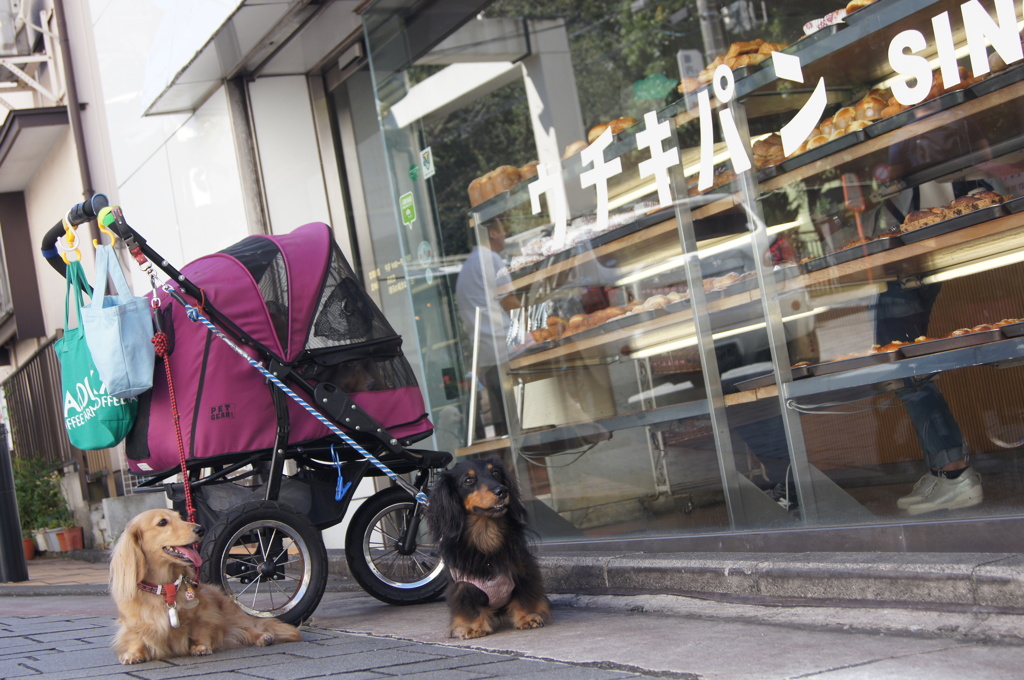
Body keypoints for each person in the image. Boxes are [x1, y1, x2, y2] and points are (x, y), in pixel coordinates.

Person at [455, 219, 518, 439]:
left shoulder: (468, 266)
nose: (505, 233)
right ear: (492, 233)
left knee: (505, 423)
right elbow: (509, 302)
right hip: (505, 349)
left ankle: (509, 467)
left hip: (487, 355)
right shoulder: (490, 258)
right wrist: (532, 328)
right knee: (521, 417)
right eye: (502, 229)